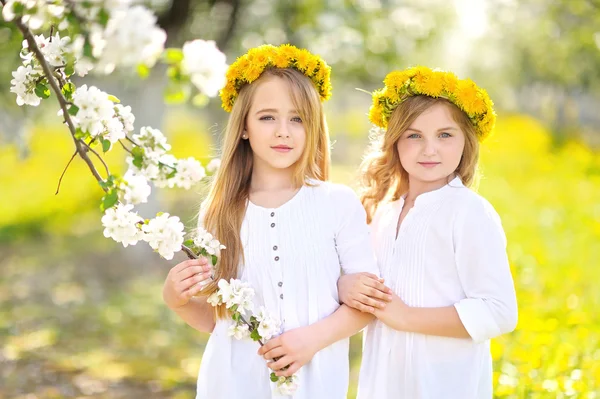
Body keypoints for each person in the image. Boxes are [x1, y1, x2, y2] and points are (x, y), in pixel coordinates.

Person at [162, 44, 378, 398]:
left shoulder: (336, 203)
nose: (283, 131)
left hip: (314, 384)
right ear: (244, 127)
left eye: (297, 119)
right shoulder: (218, 211)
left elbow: (365, 305)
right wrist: (177, 299)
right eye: (267, 117)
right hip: (232, 385)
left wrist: (310, 341)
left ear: (313, 127)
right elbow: (219, 321)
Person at [338, 66, 518, 398]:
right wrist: (346, 284)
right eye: (414, 135)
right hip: (385, 382)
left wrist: (406, 317)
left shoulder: (468, 212)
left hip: (444, 382)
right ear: (395, 141)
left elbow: (499, 310)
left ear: (466, 142)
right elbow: (362, 281)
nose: (429, 149)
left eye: (445, 135)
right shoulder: (384, 212)